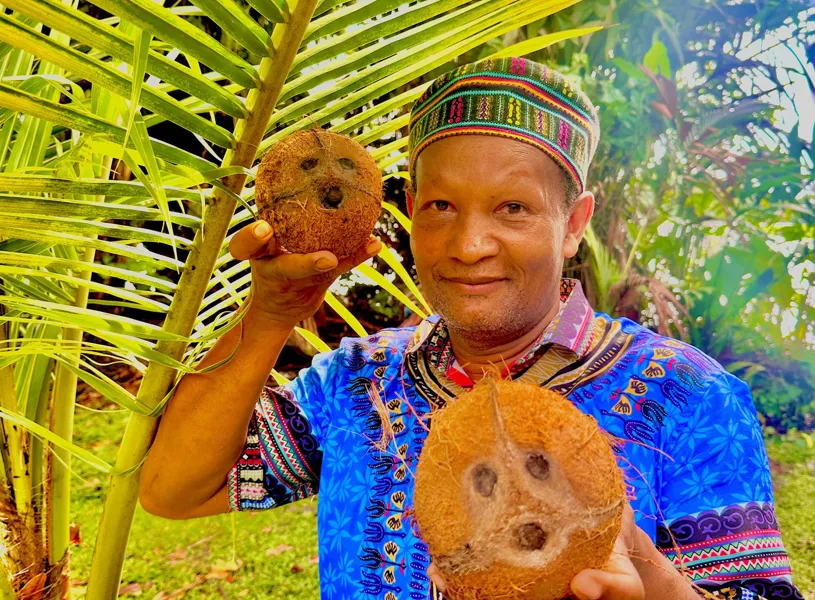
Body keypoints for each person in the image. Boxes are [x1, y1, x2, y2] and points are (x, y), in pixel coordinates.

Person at [140, 58, 802, 600]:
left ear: (573, 224)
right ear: (408, 211)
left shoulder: (684, 394)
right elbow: (176, 488)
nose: (467, 244)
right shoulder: (356, 383)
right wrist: (270, 313)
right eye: (440, 207)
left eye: (512, 208)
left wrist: (650, 583)